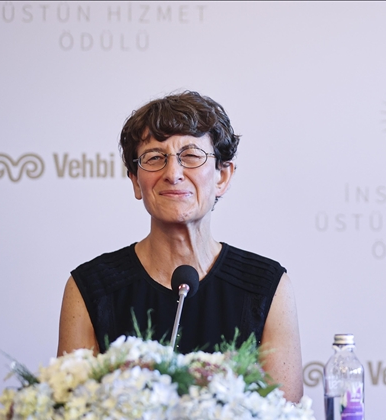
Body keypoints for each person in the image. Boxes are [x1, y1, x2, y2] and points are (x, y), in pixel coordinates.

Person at [57, 91, 303, 402]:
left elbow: (285, 417)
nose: (173, 174)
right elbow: (72, 415)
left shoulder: (267, 285)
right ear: (135, 180)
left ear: (222, 176)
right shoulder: (90, 287)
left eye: (191, 156)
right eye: (154, 158)